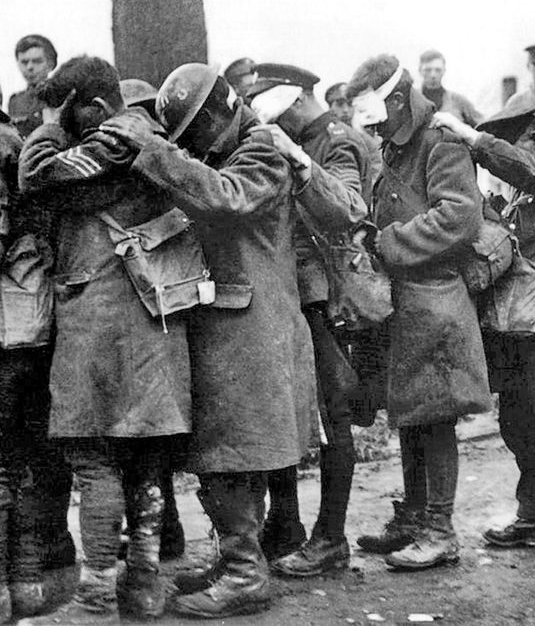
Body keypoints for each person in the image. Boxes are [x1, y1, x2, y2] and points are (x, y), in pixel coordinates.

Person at [100, 62, 318, 618]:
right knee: (222, 452)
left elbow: (224, 198)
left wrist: (152, 149)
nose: (192, 141)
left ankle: (246, 573)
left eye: (196, 128)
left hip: (252, 326)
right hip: (228, 324)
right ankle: (236, 559)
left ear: (221, 111)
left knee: (234, 451)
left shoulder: (263, 150)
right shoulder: (230, 151)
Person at [19, 56, 192, 624]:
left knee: (94, 458)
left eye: (69, 112)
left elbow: (34, 175)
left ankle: (97, 590)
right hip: (153, 320)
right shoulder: (155, 140)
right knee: (144, 459)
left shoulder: (99, 147)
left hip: (96, 317)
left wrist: (48, 120)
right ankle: (143, 584)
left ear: (91, 108)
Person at [434, 100, 535, 558]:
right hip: (517, 321)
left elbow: (533, 173)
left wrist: (474, 140)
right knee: (517, 423)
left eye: (510, 142)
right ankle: (533, 515)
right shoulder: (514, 194)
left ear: (531, 138)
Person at [347, 54, 490, 570]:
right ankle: (412, 517)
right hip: (407, 301)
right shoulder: (397, 143)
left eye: (377, 113)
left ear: (394, 99)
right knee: (411, 415)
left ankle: (440, 529)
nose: (375, 125)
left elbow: (459, 215)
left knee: (435, 418)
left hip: (436, 298)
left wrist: (387, 242)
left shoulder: (439, 140)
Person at [245, 62, 369, 576]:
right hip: (294, 295)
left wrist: (298, 160)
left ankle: (331, 536)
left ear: (294, 101)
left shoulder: (337, 142)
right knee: (289, 410)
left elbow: (348, 210)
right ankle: (287, 523)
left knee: (333, 416)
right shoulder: (303, 138)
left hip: (330, 301)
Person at [114, 78, 187, 562]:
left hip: (164, 309)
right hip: (153, 308)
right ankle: (167, 530)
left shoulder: (158, 161)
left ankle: (164, 533)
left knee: (154, 436)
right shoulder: (152, 160)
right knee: (148, 436)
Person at [0, 93, 57, 623]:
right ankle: (30, 578)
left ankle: (5, 584)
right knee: (31, 460)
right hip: (35, 328)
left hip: (5, 332)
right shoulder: (23, 148)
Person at [326, 81, 383, 185]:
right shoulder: (323, 140)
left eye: (349, 104)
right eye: (339, 104)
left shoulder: (367, 142)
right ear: (330, 107)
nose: (346, 110)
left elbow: (376, 174)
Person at [419, 49, 484, 127]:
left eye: (438, 70)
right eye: (428, 70)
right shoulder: (411, 100)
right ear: (420, 71)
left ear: (444, 71)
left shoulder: (459, 101)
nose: (433, 75)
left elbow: (482, 125)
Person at [9, 35, 57, 136]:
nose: (30, 67)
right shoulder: (15, 101)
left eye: (37, 61)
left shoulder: (59, 97)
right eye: (24, 62)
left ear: (51, 64)